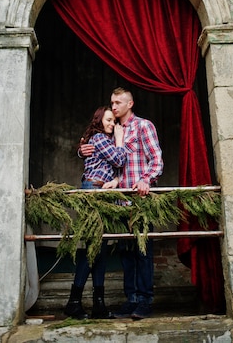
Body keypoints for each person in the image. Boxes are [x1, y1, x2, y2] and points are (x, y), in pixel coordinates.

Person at [80, 87, 163, 320]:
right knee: (126, 251)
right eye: (111, 103)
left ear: (130, 104)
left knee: (143, 250)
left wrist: (147, 179)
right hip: (118, 200)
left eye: (118, 103)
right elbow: (105, 158)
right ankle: (132, 299)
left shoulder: (143, 126)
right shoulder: (112, 131)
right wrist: (81, 150)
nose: (114, 107)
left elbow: (156, 158)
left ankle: (145, 300)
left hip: (140, 199)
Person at [64, 106, 126, 320]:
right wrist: (119, 139)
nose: (111, 124)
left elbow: (116, 169)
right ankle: (73, 302)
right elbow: (119, 160)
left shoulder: (101, 141)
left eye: (113, 121)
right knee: (93, 247)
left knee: (101, 248)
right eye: (108, 120)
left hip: (104, 192)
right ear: (99, 120)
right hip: (93, 191)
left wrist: (116, 180)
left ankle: (99, 304)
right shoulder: (100, 138)